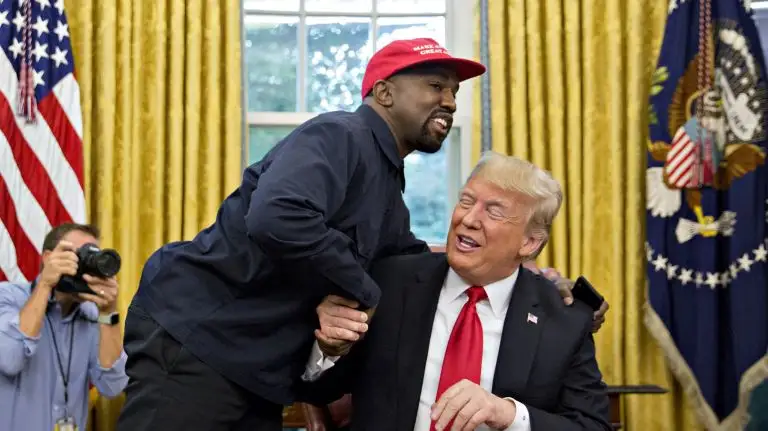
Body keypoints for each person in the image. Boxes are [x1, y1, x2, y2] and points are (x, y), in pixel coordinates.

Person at [116, 38, 488, 431]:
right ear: (384, 93)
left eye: (454, 92)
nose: (450, 101)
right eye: (436, 86)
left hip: (255, 370)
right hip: (198, 340)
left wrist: (510, 272)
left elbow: (405, 261)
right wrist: (364, 291)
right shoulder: (341, 135)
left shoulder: (387, 184)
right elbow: (277, 215)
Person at [302, 152, 612, 431]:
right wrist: (328, 350)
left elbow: (592, 425)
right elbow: (317, 390)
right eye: (466, 201)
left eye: (493, 212)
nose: (468, 219)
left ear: (529, 242)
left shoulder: (564, 320)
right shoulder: (389, 282)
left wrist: (507, 414)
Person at [0, 223, 127, 431]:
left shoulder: (92, 315)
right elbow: (10, 360)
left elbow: (113, 385)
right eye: (76, 255)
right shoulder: (7, 297)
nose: (82, 266)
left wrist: (108, 313)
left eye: (91, 257)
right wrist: (45, 285)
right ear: (48, 258)